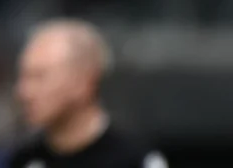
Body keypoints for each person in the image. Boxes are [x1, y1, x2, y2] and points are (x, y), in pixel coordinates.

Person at [9, 18, 169, 168]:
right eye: (22, 77)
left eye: (39, 77)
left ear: (84, 82)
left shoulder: (136, 160)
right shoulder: (24, 160)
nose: (24, 92)